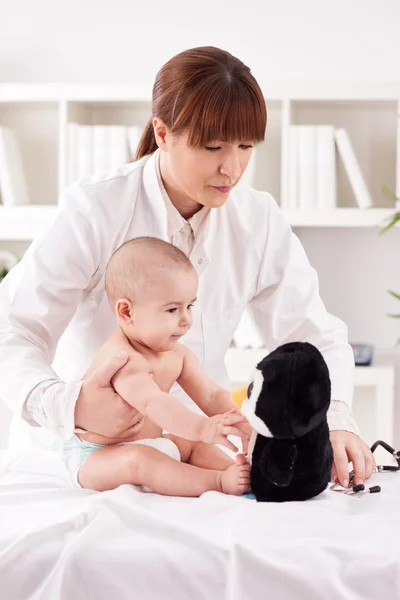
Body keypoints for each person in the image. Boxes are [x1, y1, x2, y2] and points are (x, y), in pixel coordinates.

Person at [0, 45, 375, 489]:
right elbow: (16, 330)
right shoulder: (96, 208)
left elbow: (312, 335)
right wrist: (69, 404)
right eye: (212, 145)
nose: (231, 167)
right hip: (89, 461)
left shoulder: (258, 220)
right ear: (162, 133)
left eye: (245, 146)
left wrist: (337, 420)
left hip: (203, 457)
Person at [62, 236, 251, 495]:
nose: (186, 320)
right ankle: (217, 482)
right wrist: (203, 427)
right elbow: (154, 403)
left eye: (190, 306)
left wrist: (241, 421)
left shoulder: (178, 355)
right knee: (141, 460)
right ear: (127, 312)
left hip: (152, 443)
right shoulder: (121, 359)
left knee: (190, 443)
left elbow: (210, 394)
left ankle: (243, 473)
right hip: (96, 458)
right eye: (172, 310)